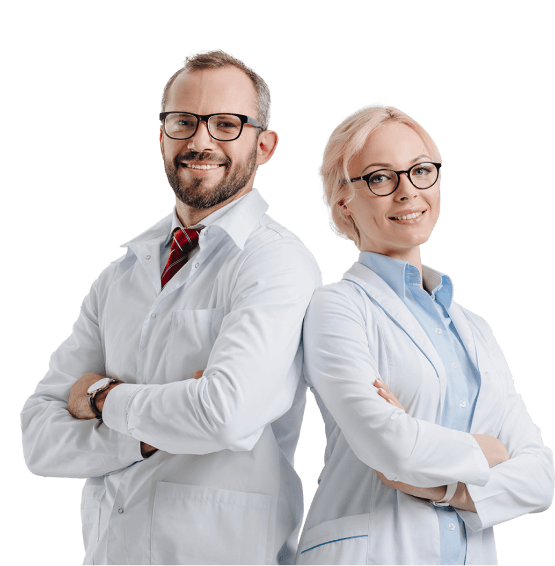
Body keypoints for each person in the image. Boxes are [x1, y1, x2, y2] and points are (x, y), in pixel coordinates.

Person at [21, 49, 321, 566]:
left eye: (226, 124)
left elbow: (222, 414)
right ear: (161, 136)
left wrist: (100, 396)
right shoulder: (120, 275)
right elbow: (39, 441)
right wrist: (149, 436)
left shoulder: (277, 263)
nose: (200, 141)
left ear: (264, 145)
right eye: (183, 121)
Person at [295, 103, 553, 565]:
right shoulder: (336, 307)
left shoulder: (474, 328)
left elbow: (540, 478)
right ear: (343, 201)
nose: (407, 192)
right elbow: (388, 446)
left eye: (420, 171)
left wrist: (443, 488)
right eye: (380, 177)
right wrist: (489, 451)